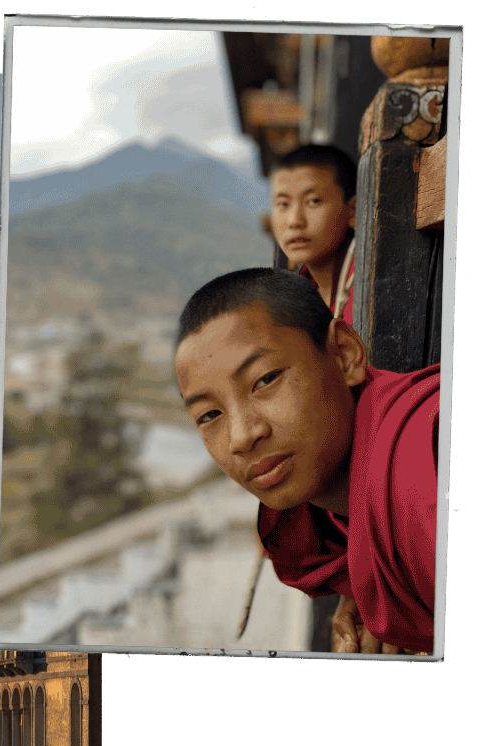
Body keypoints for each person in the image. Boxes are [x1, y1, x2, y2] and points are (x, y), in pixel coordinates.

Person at [174, 268, 439, 653]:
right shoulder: (318, 530)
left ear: (344, 355)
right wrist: (369, 587)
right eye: (209, 416)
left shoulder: (428, 466)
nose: (242, 437)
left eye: (265, 380)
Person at [268, 145, 359, 326]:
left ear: (353, 210)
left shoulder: (366, 286)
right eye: (283, 204)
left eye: (313, 201)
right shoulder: (301, 293)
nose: (294, 221)